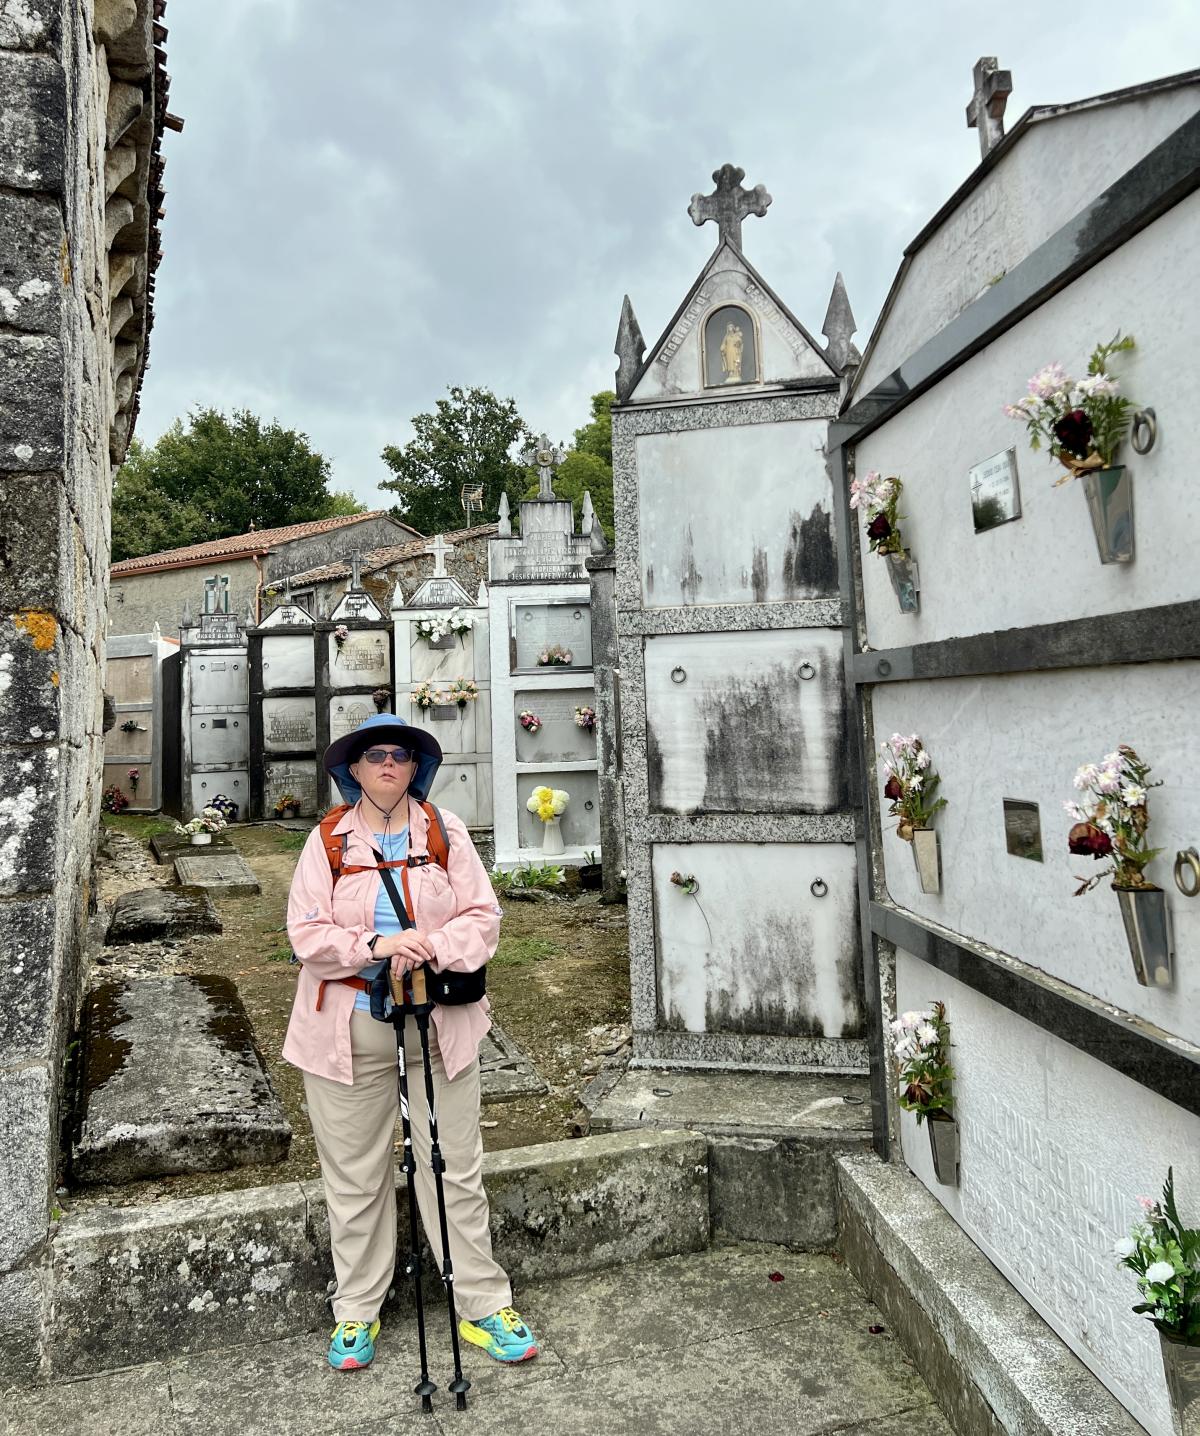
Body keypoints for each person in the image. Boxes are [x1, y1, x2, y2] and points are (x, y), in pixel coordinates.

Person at [282, 712, 538, 1371]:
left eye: (399, 754)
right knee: (355, 1175)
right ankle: (357, 1312)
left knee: (452, 1163)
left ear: (414, 767)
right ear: (355, 771)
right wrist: (375, 944)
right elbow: (305, 933)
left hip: (438, 1024)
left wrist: (429, 945)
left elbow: (484, 917)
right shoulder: (328, 841)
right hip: (347, 1031)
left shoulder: (446, 834)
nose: (388, 765)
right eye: (374, 756)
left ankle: (482, 1303)